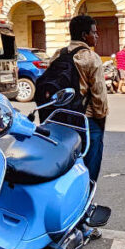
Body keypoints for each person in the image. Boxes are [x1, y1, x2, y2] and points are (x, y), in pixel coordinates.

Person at [50, 14, 108, 182]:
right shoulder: (90, 57)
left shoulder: (57, 54)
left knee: (66, 161)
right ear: (84, 35)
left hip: (60, 118)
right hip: (86, 119)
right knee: (91, 161)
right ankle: (87, 194)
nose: (96, 36)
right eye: (94, 32)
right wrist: (101, 119)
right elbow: (99, 96)